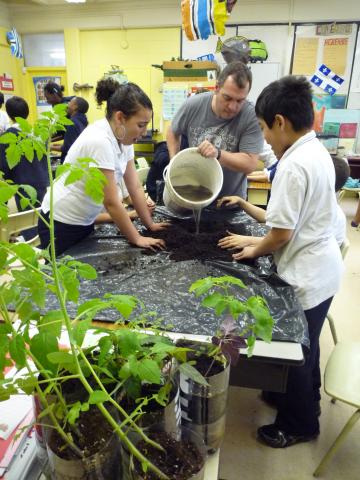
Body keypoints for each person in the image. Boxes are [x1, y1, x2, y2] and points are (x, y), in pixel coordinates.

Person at [219, 75, 343, 448]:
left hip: (309, 273)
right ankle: (288, 396)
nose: (266, 140)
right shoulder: (315, 151)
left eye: (263, 129)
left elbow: (281, 235)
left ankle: (301, 424)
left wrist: (252, 247)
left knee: (301, 353)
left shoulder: (293, 165)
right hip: (324, 269)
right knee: (309, 343)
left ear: (280, 122)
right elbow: (281, 219)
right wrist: (244, 207)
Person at [38, 78, 169, 256]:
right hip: (60, 222)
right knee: (65, 277)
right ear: (120, 117)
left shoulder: (125, 140)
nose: (144, 132)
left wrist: (150, 225)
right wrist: (137, 238)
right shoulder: (100, 141)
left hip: (85, 220)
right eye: (140, 125)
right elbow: (111, 202)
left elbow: (135, 186)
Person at [166, 61, 264, 199]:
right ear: (217, 88)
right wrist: (173, 161)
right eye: (227, 98)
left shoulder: (251, 116)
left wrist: (218, 154)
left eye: (240, 100)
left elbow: (250, 163)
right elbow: (172, 130)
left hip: (230, 201)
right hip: (192, 194)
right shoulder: (193, 105)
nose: (232, 107)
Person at [218, 155, 349, 248]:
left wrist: (249, 240)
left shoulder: (328, 215)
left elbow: (283, 240)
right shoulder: (316, 204)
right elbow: (269, 217)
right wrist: (242, 202)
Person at [0, 96, 49, 210]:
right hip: (42, 181)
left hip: (23, 185)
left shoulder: (7, 137)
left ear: (9, 114)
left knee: (28, 218)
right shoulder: (40, 133)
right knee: (42, 215)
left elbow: (4, 166)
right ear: (27, 112)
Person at [51, 96, 89, 163]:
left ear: (75, 107)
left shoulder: (72, 123)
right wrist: (57, 145)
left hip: (70, 163)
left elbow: (67, 148)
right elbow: (73, 144)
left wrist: (49, 148)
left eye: (70, 102)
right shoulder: (82, 122)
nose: (67, 104)